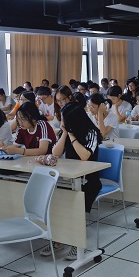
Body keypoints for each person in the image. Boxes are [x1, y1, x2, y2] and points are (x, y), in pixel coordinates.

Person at [50, 101, 103, 260]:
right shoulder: (64, 132)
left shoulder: (91, 132)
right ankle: (60, 238)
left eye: (64, 119)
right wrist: (64, 133)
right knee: (57, 202)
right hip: (70, 177)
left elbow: (84, 156)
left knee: (75, 205)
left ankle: (77, 242)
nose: (62, 121)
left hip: (89, 180)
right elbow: (55, 153)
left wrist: (72, 135)